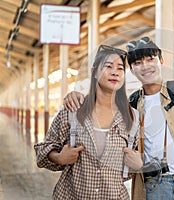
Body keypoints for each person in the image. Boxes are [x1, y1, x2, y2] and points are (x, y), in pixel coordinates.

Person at [64, 37, 174, 200]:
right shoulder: (131, 104)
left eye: (150, 59)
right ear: (131, 70)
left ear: (161, 61)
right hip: (153, 186)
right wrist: (77, 96)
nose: (145, 66)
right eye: (137, 63)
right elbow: (101, 103)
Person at [34, 44, 143, 200]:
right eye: (108, 66)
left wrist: (139, 164)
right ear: (94, 73)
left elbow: (137, 162)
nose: (115, 72)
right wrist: (58, 157)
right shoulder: (72, 111)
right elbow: (41, 151)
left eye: (120, 68)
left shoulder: (132, 118)